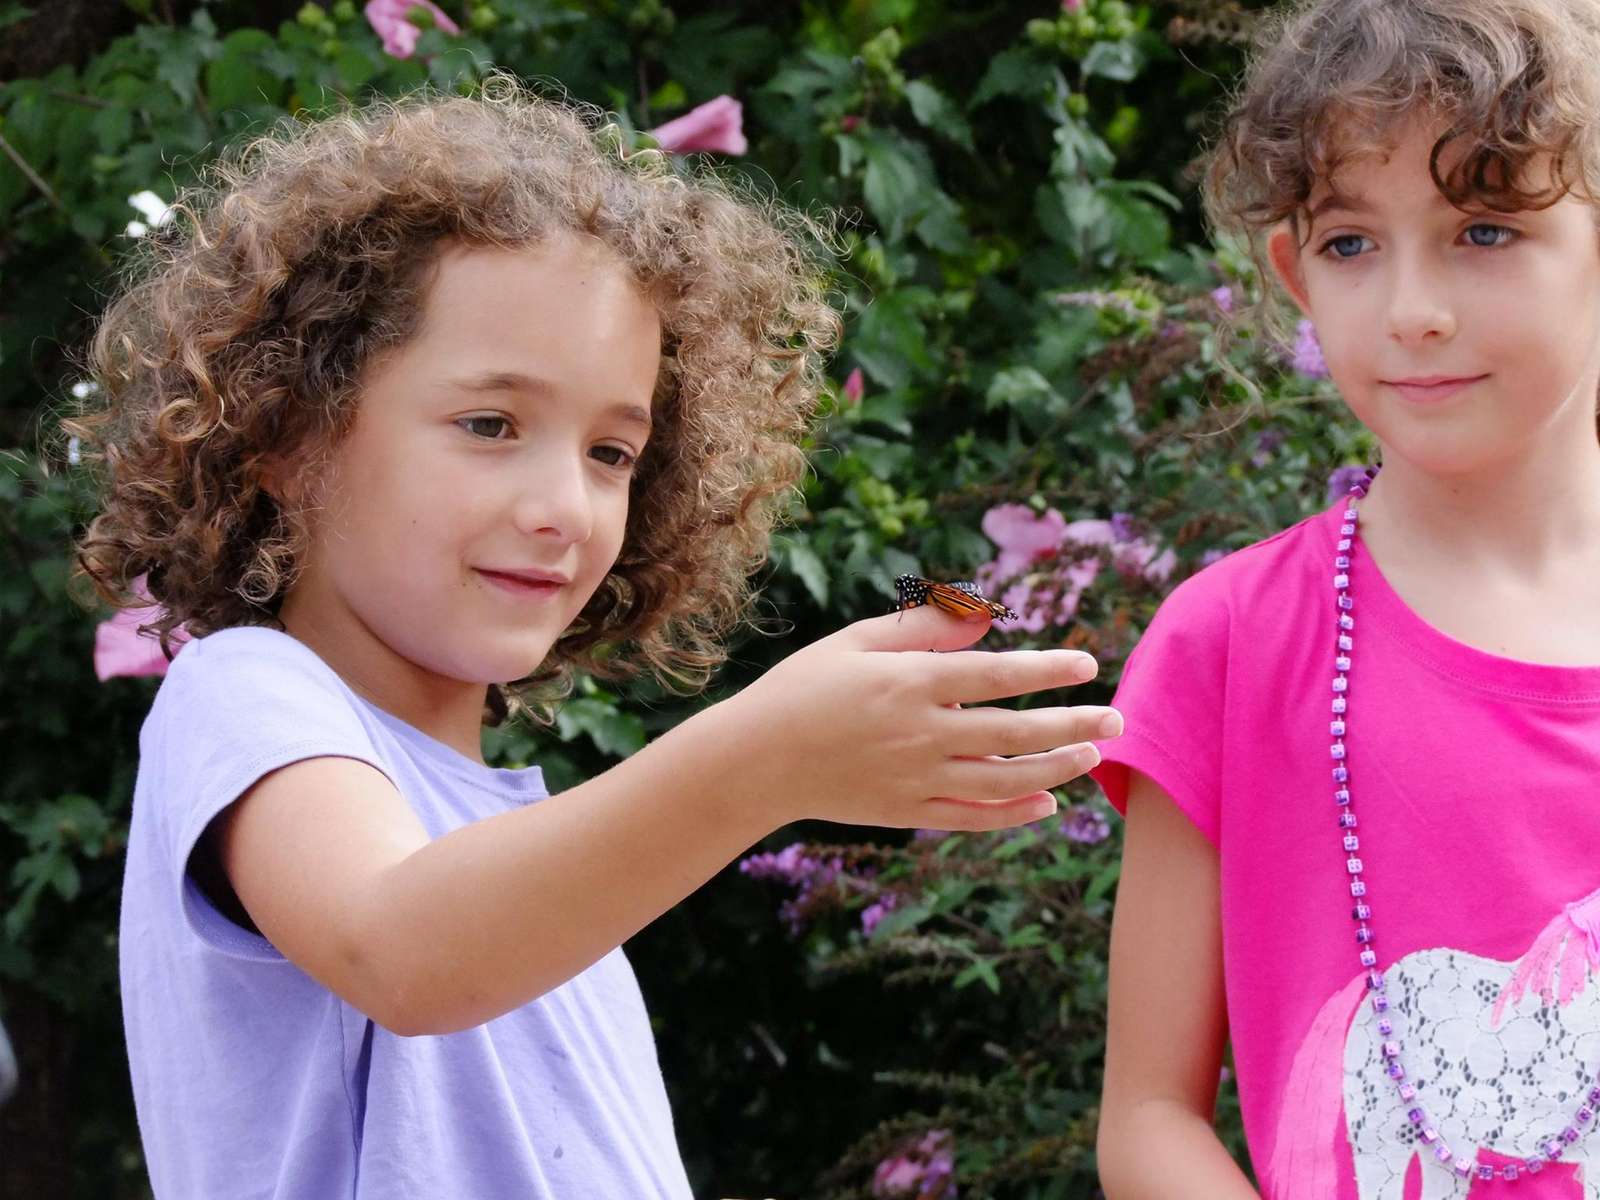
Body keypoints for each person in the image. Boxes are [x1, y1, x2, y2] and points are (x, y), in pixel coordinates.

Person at [68, 82, 1119, 1199]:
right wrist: (768, 760)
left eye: (612, 453)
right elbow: (405, 951)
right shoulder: (248, 690)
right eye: (490, 425)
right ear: (285, 433)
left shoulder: (528, 862)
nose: (565, 507)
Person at [1091, 1, 1600, 1195]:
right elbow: (1150, 1115)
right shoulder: (1227, 646)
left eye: (1482, 229)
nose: (1413, 309)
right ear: (1293, 276)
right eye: (1351, 244)